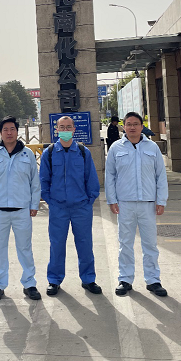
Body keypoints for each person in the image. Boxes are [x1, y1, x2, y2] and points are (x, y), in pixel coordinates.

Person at [105, 111, 169, 297]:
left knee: (150, 244)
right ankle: (125, 279)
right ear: (123, 127)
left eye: (135, 124)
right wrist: (112, 200)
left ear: (142, 127)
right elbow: (110, 176)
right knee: (125, 243)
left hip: (148, 203)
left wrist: (161, 200)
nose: (132, 127)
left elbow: (160, 176)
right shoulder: (116, 148)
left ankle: (153, 280)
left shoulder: (152, 147)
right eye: (128, 124)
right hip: (125, 203)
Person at [39, 115, 101, 296]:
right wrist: (51, 201)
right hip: (58, 208)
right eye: (62, 127)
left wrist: (89, 201)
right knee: (57, 245)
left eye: (68, 127)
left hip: (81, 207)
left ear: (74, 129)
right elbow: (43, 180)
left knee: (85, 244)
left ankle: (88, 279)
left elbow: (91, 179)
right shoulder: (49, 153)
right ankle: (54, 280)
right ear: (56, 130)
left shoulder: (83, 152)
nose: (65, 130)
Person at [0, 116, 41, 302]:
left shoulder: (27, 154)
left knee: (25, 248)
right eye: (5, 129)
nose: (9, 133)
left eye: (12, 129)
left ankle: (29, 283)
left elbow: (35, 182)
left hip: (22, 210)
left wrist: (34, 204)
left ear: (17, 131)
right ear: (0, 132)